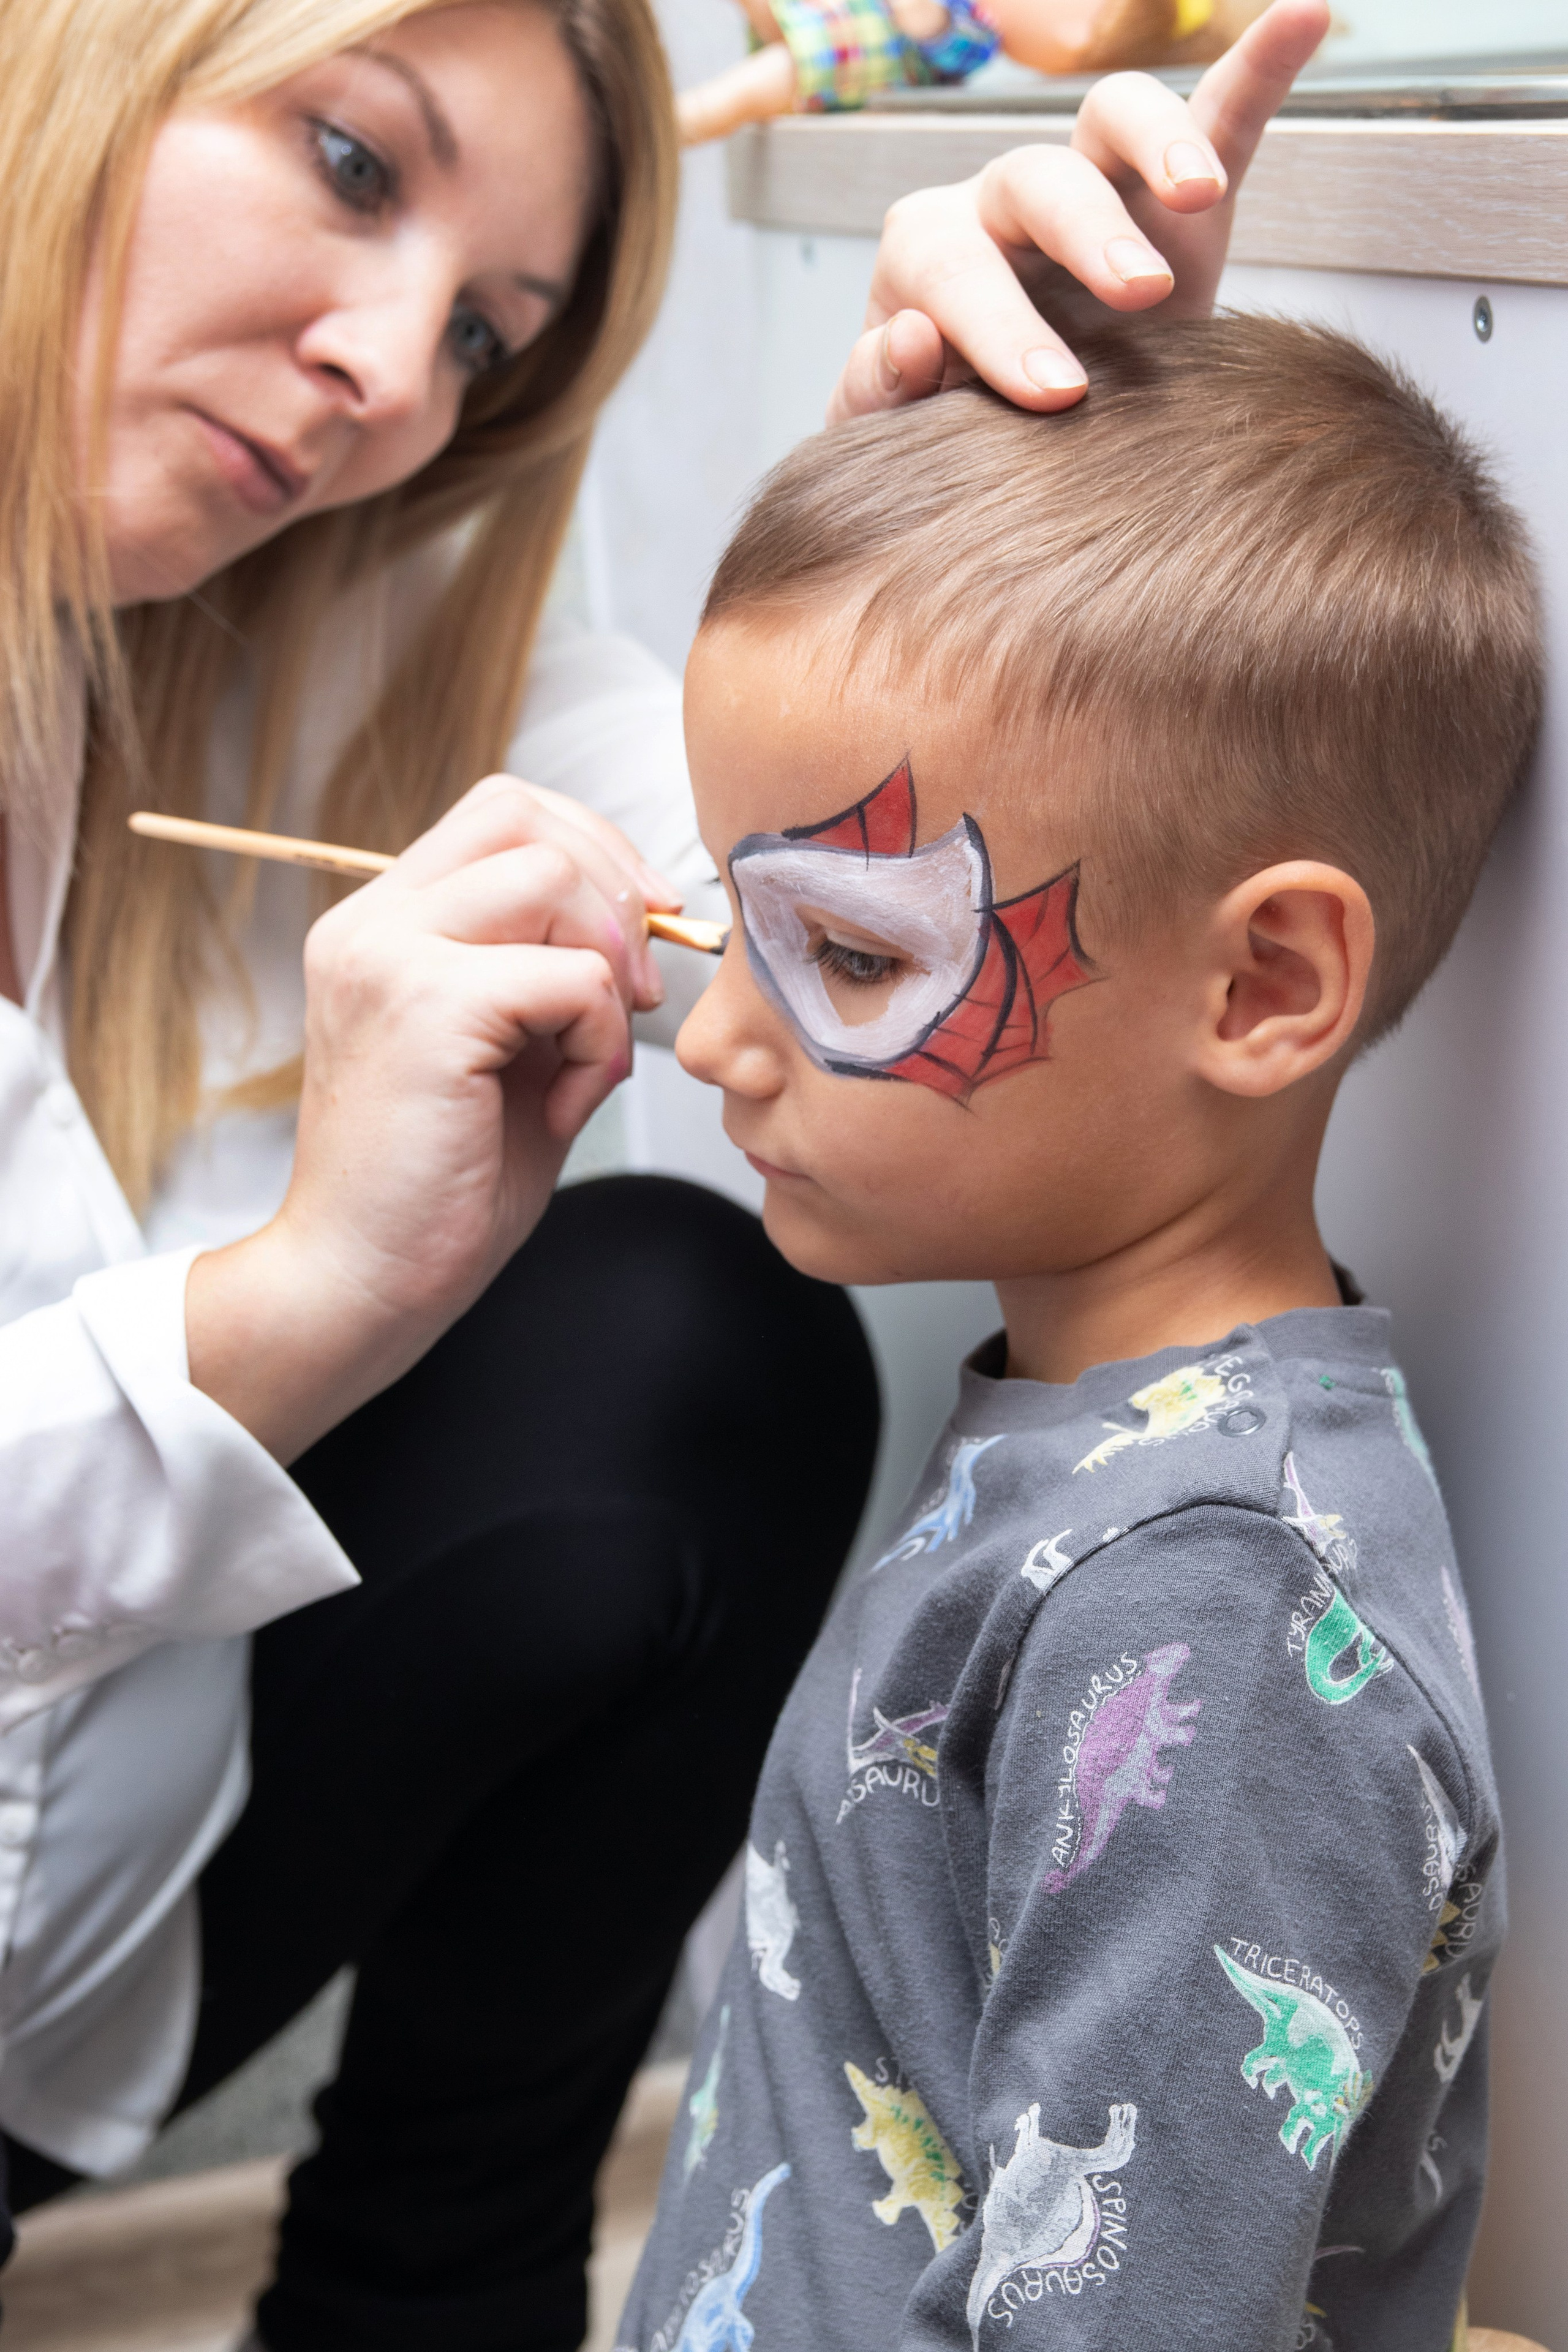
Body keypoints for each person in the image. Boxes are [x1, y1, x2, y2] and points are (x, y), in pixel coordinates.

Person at [0, 0, 1329, 2339]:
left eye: (491, 333)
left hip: (91, 1919)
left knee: (682, 1339)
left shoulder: (291, 624)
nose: (397, 377)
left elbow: (779, 851)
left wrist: (980, 552)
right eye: (347, 157)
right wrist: (294, 1307)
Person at [614, 317, 1542, 2351]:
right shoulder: (1093, 1440)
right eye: (724, 920)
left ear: (1263, 986)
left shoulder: (1212, 1611)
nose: (716, 1036)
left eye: (849, 952)